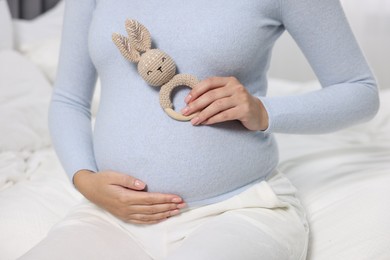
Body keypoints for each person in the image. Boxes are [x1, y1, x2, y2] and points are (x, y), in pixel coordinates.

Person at [20, 0, 379, 259]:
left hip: (236, 210)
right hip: (112, 216)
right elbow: (68, 100)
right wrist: (84, 179)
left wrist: (263, 110)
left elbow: (359, 91)